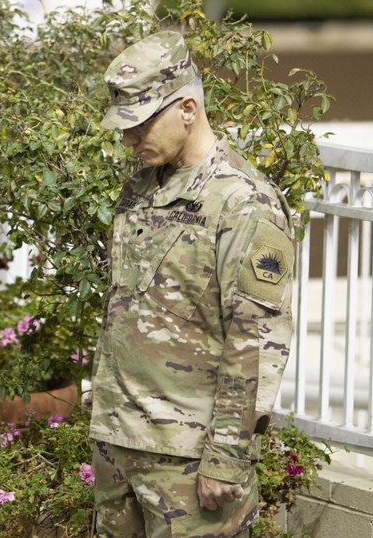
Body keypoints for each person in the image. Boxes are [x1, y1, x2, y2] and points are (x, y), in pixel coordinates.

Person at [90, 30, 295, 537]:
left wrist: (226, 457)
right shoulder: (140, 188)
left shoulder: (244, 202)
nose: (129, 139)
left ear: (187, 108)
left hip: (189, 455)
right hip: (121, 440)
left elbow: (255, 341)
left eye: (139, 124)